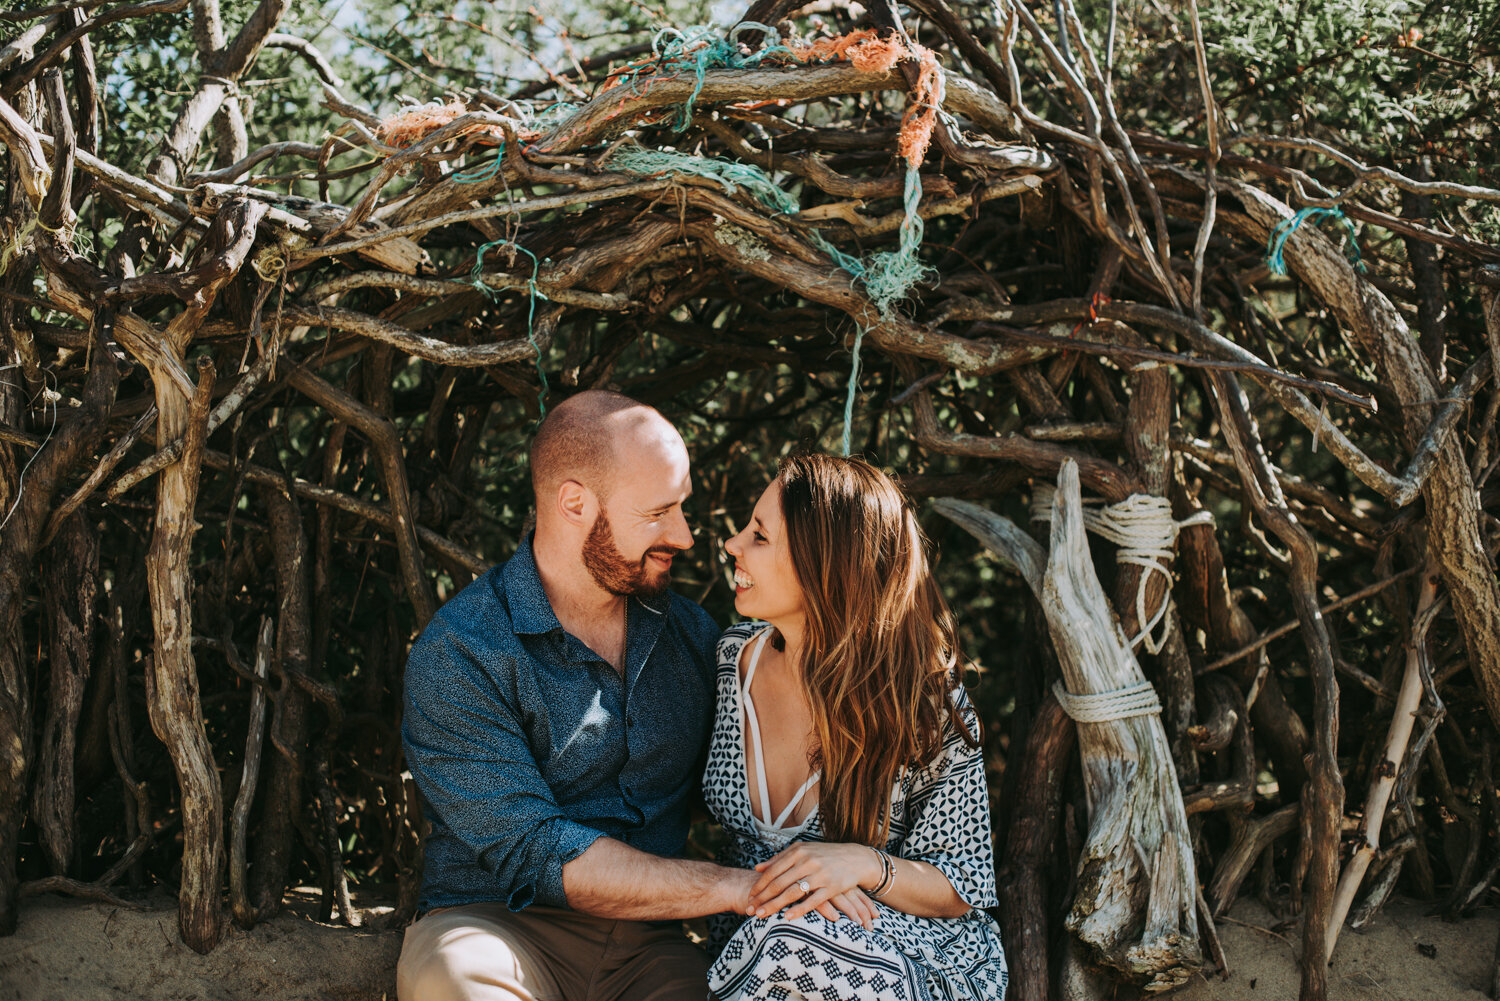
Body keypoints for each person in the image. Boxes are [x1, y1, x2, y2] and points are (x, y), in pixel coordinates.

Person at [397, 390, 753, 1001]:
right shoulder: (463, 651)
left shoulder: (694, 636)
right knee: (451, 982)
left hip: (653, 946)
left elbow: (740, 790)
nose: (686, 536)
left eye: (683, 508)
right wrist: (737, 888)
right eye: (658, 513)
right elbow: (536, 852)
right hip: (500, 927)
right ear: (574, 503)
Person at [705, 453, 1008, 1001]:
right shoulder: (730, 664)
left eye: (760, 536)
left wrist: (863, 863)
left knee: (792, 938)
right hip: (755, 948)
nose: (733, 545)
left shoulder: (923, 703)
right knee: (783, 940)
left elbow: (962, 886)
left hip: (907, 953)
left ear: (827, 567)